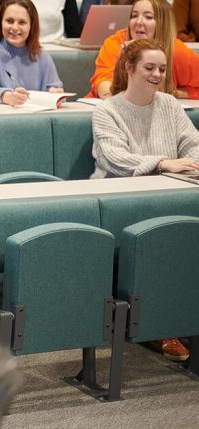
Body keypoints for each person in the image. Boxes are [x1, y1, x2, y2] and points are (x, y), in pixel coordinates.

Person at [91, 37, 199, 364]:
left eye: (162, 69)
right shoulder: (107, 110)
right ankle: (161, 326)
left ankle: (180, 318)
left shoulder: (168, 104)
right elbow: (115, 159)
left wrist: (188, 164)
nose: (156, 74)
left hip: (166, 191)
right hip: (119, 197)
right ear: (129, 68)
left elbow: (193, 144)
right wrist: (163, 163)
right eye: (149, 68)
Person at [90, 0, 199, 99]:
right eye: (134, 16)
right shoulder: (116, 42)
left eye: (148, 17)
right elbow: (103, 82)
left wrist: (176, 93)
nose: (138, 22)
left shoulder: (177, 50)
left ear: (163, 23)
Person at [0, 0, 64, 106]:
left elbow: (55, 88)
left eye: (22, 22)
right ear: (0, 22)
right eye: (9, 21)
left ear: (31, 26)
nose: (15, 27)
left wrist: (56, 94)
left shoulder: (42, 56)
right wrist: (5, 96)